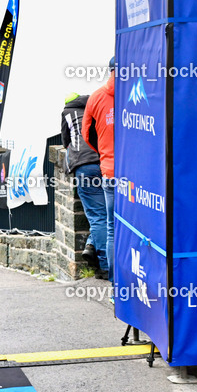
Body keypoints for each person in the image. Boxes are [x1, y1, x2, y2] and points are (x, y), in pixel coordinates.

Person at [61, 93, 106, 276]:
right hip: (107, 162)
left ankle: (105, 266)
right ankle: (91, 244)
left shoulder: (67, 111)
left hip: (84, 166)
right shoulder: (97, 106)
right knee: (109, 214)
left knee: (98, 216)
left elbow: (66, 141)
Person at [82, 58, 116, 283]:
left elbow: (87, 134)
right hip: (139, 173)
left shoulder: (96, 97)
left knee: (110, 225)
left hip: (110, 171)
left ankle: (115, 279)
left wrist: (105, 153)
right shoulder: (140, 90)